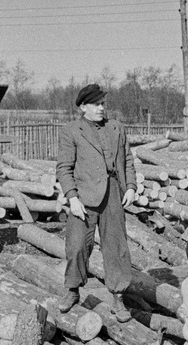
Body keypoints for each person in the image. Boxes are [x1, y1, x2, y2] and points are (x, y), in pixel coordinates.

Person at [55, 83, 136, 322]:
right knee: (77, 245)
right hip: (83, 196)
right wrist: (72, 198)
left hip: (113, 193)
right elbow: (64, 168)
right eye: (96, 104)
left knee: (116, 247)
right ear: (83, 107)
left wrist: (130, 186)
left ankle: (119, 298)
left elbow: (128, 160)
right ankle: (72, 290)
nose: (102, 108)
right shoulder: (71, 131)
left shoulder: (116, 128)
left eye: (103, 104)